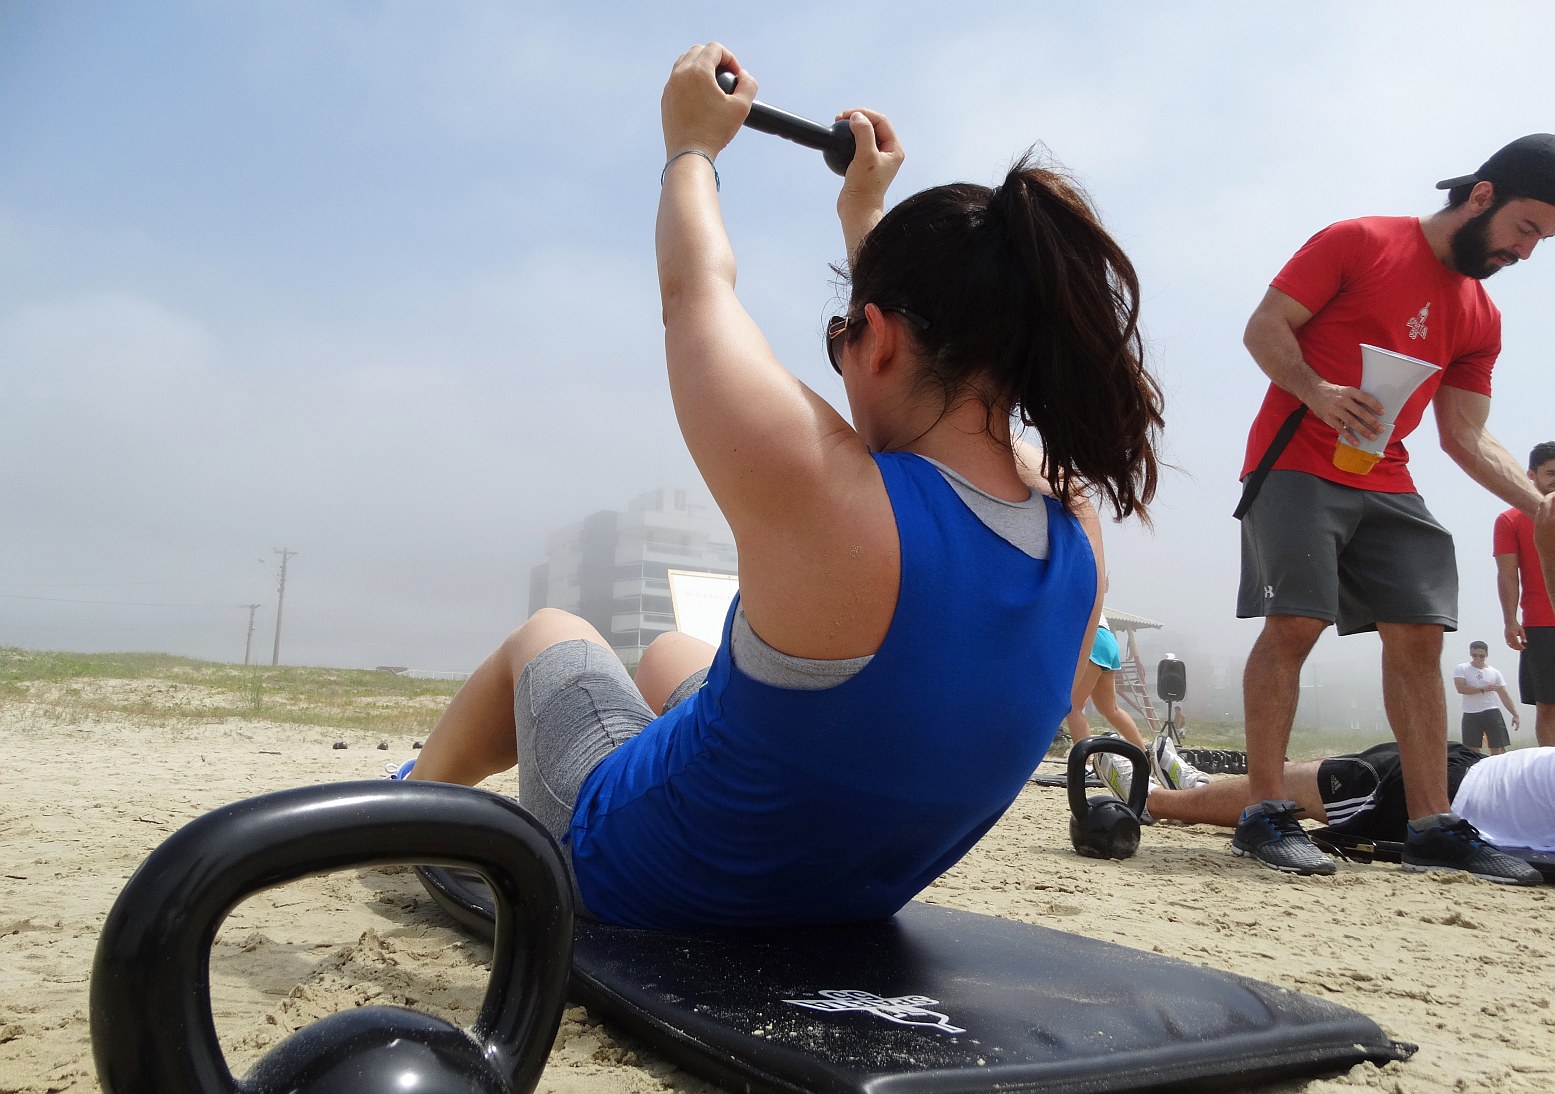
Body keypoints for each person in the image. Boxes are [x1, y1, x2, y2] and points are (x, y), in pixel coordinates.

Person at [401, 43, 1165, 930]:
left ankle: (406, 811)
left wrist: (689, 148)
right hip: (844, 891)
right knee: (668, 656)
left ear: (875, 338)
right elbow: (969, 423)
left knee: (553, 633)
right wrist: (865, 212)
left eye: (844, 333)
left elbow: (695, 292)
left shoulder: (836, 498)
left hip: (635, 870)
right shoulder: (1074, 536)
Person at [1231, 133, 1555, 882]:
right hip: (1295, 459)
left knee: (1419, 629)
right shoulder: (1360, 241)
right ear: (1481, 196)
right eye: (1525, 228)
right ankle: (1264, 812)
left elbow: (1465, 436)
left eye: (1543, 239)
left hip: (1388, 476)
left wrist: (1538, 505)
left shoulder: (1480, 315)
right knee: (1295, 622)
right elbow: (1263, 328)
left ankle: (1432, 825)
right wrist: (1317, 392)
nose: (1527, 252)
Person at [1148, 736, 1554, 870]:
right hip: (1461, 775)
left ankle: (1172, 796)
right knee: (1302, 785)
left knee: (1307, 786)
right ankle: (1177, 796)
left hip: (1459, 795)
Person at [1067, 615, 1208, 796]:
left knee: (1074, 707)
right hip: (1108, 639)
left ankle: (1086, 766)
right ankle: (1143, 758)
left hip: (1092, 638)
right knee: (1110, 709)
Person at [1495, 441, 1555, 746]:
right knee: (1548, 705)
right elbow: (1507, 574)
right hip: (1541, 624)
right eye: (1551, 473)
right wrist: (1509, 620)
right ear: (1531, 474)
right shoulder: (1510, 520)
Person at [1452, 640, 1519, 754]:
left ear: (1486, 655)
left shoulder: (1494, 672)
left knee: (1496, 747)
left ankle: (1495, 769)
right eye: (1474, 655)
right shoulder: (1462, 668)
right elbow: (1461, 689)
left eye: (1481, 656)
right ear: (1470, 653)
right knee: (1471, 749)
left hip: (1491, 711)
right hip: (1471, 712)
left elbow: (1503, 694)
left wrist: (1514, 714)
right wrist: (1483, 689)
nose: (1478, 658)